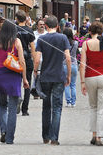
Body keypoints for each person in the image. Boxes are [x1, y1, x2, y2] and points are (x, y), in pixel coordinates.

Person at [0, 21, 29, 145]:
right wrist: (25, 78)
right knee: (13, 108)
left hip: (0, 76)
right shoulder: (16, 42)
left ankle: (3, 130)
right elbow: (22, 62)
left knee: (2, 105)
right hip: (14, 77)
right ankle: (10, 138)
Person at [33, 16, 71, 146]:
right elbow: (68, 58)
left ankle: (45, 136)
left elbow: (37, 59)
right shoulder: (63, 38)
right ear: (58, 26)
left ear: (46, 26)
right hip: (59, 76)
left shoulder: (42, 39)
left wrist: (35, 71)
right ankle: (54, 138)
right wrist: (69, 74)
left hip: (45, 76)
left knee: (46, 107)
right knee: (57, 108)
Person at [80, 21, 103, 146]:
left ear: (90, 32)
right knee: (102, 108)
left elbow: (82, 65)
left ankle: (93, 135)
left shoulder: (86, 44)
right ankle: (100, 137)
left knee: (93, 107)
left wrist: (82, 82)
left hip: (90, 76)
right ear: (101, 31)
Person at [16, 10, 36, 116]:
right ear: (26, 19)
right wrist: (34, 61)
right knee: (27, 83)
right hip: (27, 60)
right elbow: (33, 48)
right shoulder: (29, 31)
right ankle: (25, 109)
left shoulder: (14, 30)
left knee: (16, 82)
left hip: (16, 60)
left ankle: (18, 98)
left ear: (17, 19)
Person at [62, 27, 78, 108]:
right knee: (73, 84)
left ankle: (68, 101)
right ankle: (73, 102)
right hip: (74, 64)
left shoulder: (63, 44)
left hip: (65, 64)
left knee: (66, 84)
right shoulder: (75, 43)